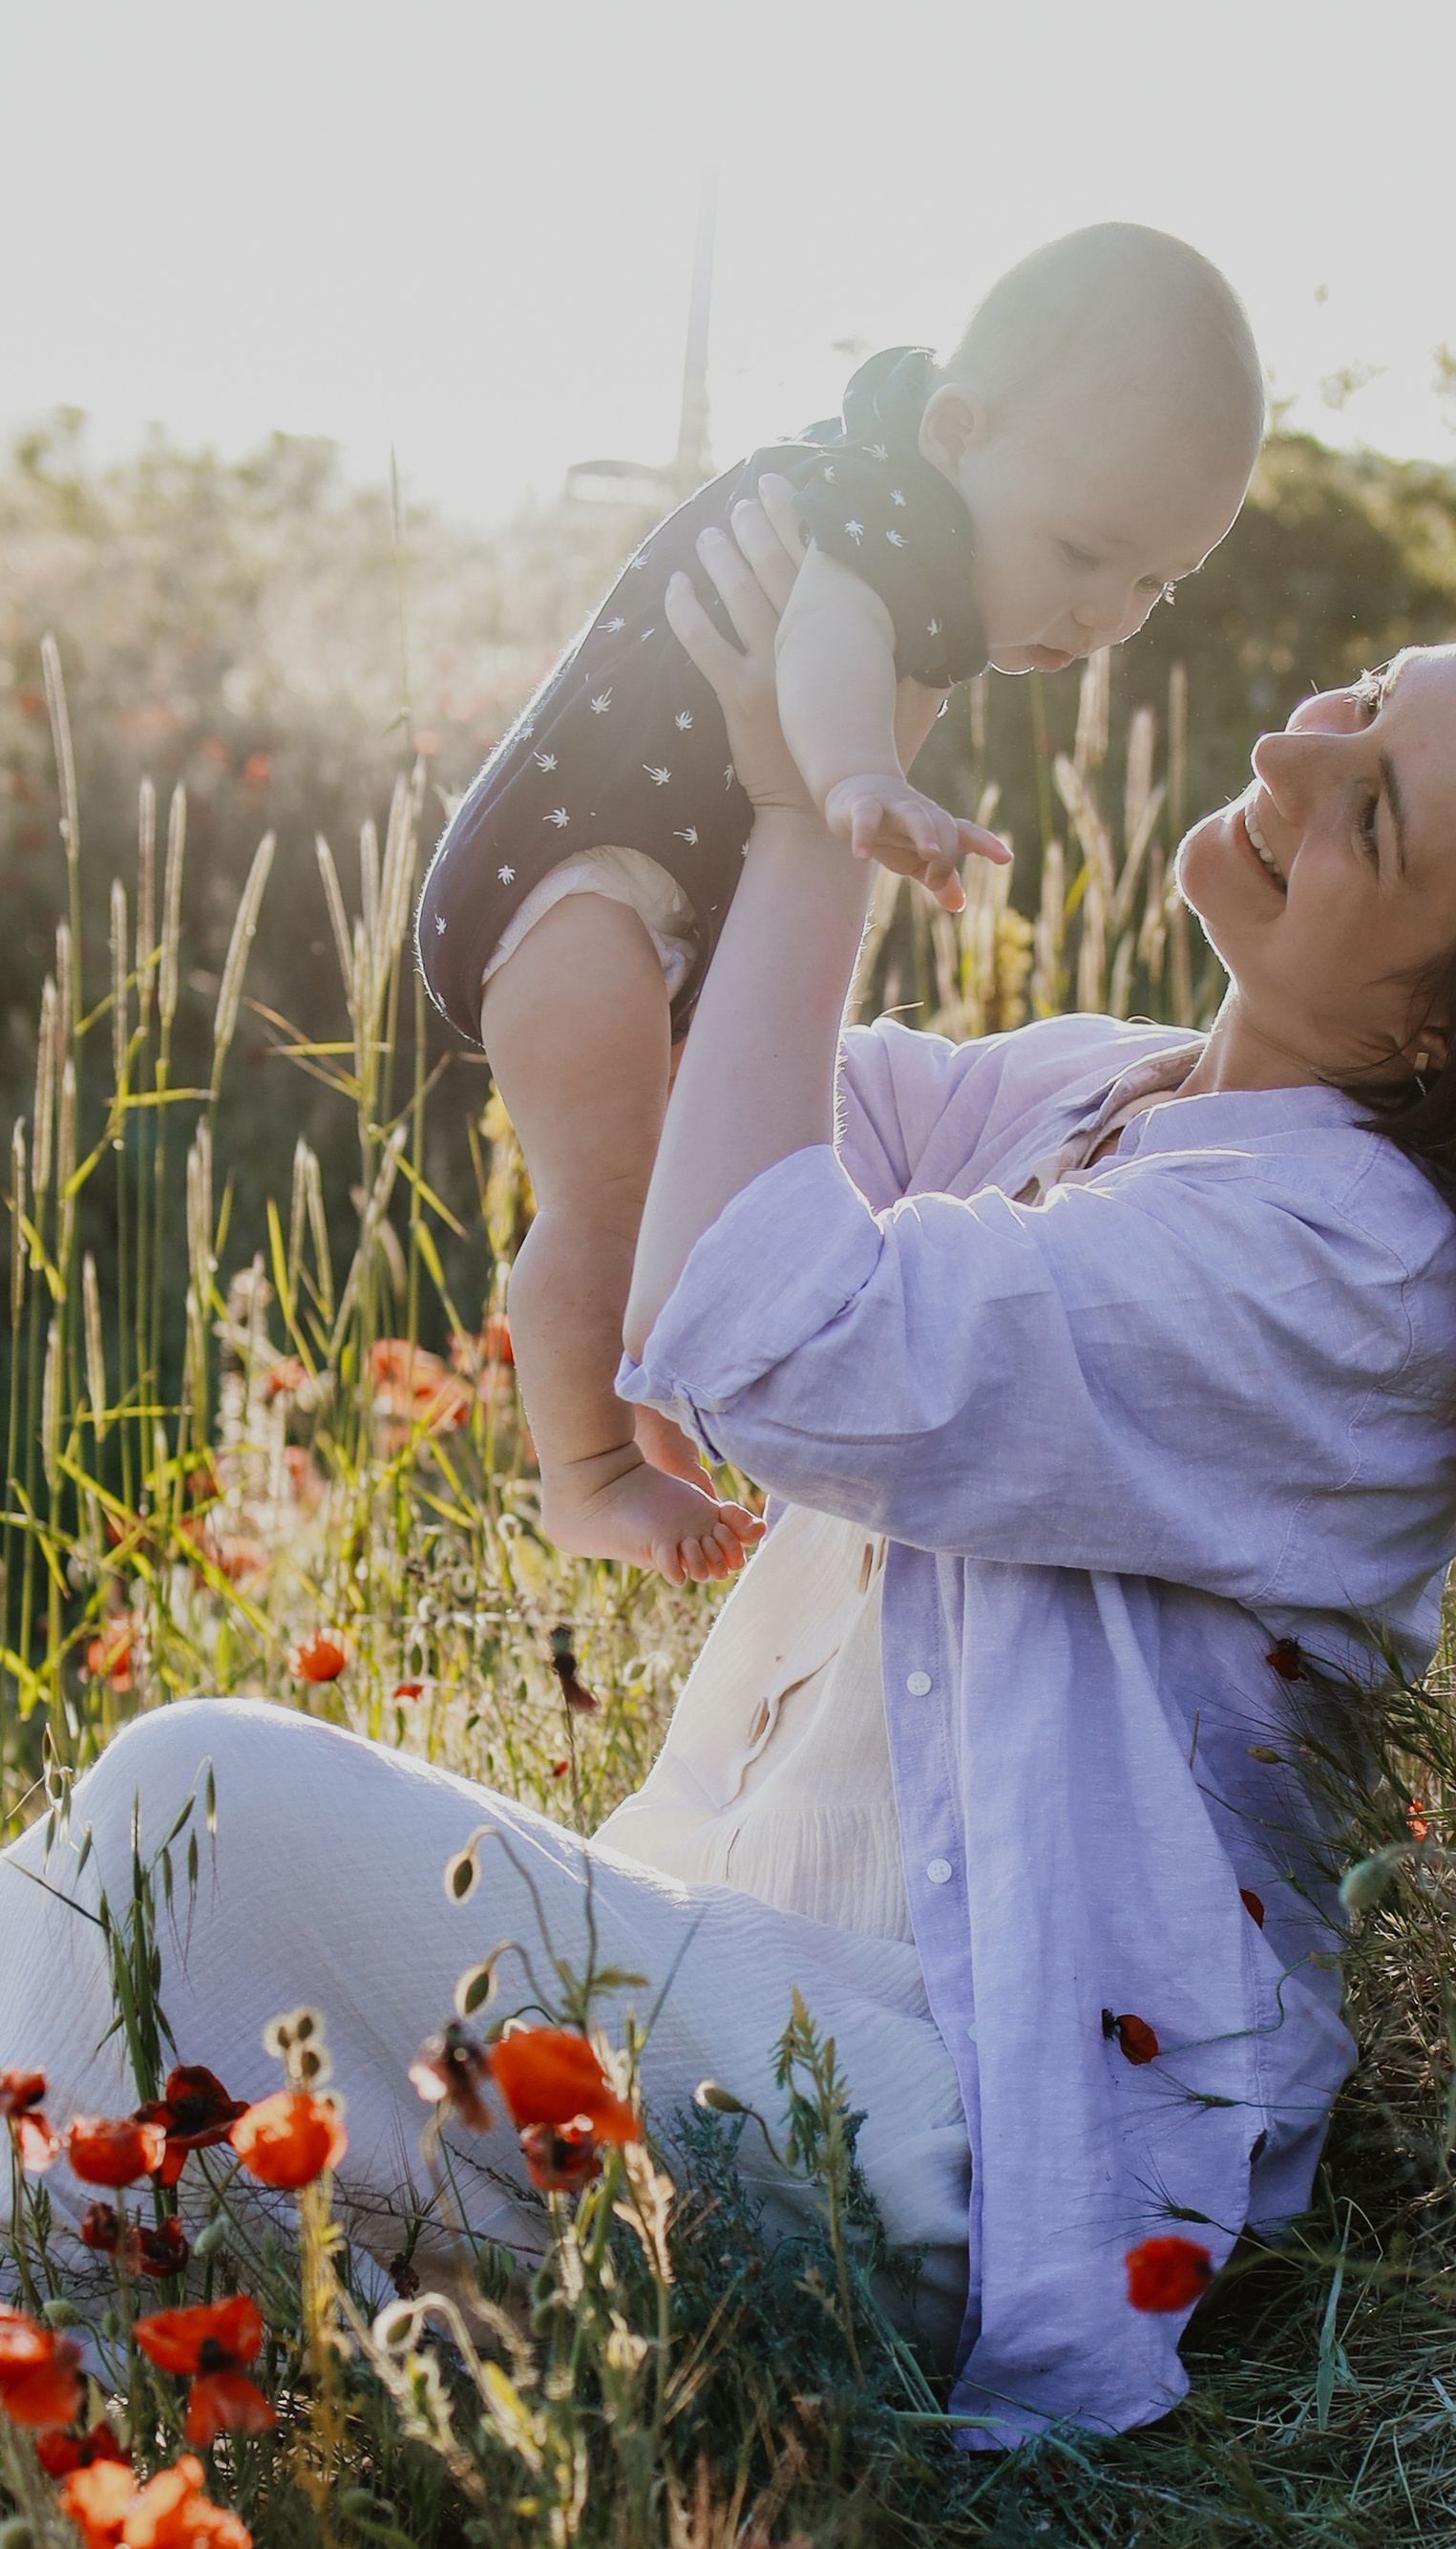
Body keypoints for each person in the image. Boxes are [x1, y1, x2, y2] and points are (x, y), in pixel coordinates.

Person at [1, 492, 1456, 2447]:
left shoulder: (1350, 1272)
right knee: (107, 1938)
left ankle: (77, 2483)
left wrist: (815, 820)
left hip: (945, 2145)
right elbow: (701, 1108)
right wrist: (819, 661)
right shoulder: (1107, 1095)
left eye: (1372, 806)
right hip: (721, 1984)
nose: (1291, 753)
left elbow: (760, 1320)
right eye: (1362, 696)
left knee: (191, 1808)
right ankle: (129, 2445)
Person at [416, 223, 1264, 1586]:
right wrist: (855, 777)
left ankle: (648, 1409)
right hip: (564, 881)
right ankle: (583, 1472)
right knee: (609, 1182)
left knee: (679, 1179)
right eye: (1084, 549)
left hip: (657, 893)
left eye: (1156, 582)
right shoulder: (879, 507)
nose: (1108, 610)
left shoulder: (939, 504)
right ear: (961, 430)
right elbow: (821, 636)